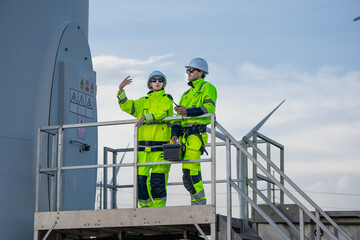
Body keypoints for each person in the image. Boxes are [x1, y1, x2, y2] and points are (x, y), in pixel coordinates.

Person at [117, 70, 173, 207]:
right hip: (142, 148)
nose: (157, 82)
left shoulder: (167, 99)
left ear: (164, 83)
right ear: (150, 84)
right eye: (154, 80)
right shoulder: (143, 102)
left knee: (158, 180)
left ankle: (159, 209)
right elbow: (127, 106)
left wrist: (146, 117)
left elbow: (163, 113)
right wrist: (120, 90)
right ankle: (145, 208)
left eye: (160, 80)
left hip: (160, 148)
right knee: (141, 179)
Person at [171, 58, 217, 205]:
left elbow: (208, 109)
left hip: (196, 136)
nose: (188, 73)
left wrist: (187, 111)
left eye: (191, 70)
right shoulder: (186, 94)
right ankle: (198, 203)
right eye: (187, 70)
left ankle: (199, 204)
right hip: (185, 137)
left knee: (189, 174)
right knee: (192, 172)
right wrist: (175, 134)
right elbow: (179, 118)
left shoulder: (208, 87)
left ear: (201, 72)